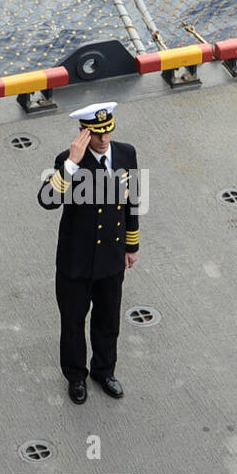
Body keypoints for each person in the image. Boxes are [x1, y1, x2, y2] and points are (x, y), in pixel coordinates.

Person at [37, 102, 141, 404]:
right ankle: (76, 376)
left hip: (111, 255)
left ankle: (104, 371)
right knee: (72, 321)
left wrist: (131, 245)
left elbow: (132, 202)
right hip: (76, 259)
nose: (104, 140)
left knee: (108, 320)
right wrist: (71, 163)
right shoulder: (68, 162)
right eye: (97, 135)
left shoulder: (126, 154)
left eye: (107, 132)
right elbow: (47, 200)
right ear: (84, 133)